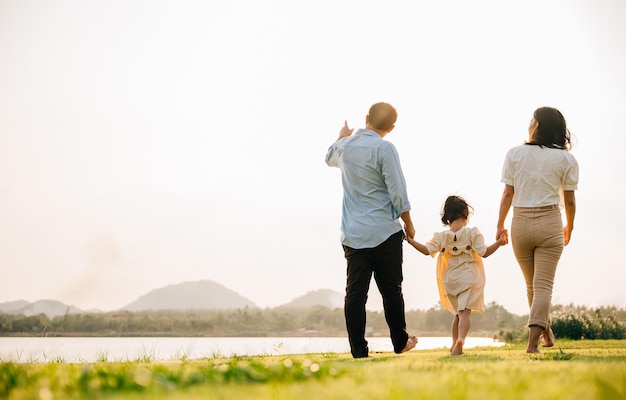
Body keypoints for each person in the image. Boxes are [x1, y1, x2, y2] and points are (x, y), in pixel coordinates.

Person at [325, 102, 417, 358]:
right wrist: (408, 223)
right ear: (391, 127)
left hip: (353, 235)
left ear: (366, 117)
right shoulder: (385, 148)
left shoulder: (344, 147)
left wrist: (341, 136)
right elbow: (397, 190)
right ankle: (400, 341)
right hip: (384, 231)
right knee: (392, 291)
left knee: (355, 294)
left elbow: (328, 157)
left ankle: (358, 351)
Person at [496, 106, 579, 354]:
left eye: (532, 119)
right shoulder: (566, 159)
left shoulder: (514, 153)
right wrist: (570, 226)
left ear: (540, 125)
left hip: (520, 221)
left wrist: (500, 225)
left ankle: (543, 336)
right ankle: (537, 340)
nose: (529, 123)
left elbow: (508, 194)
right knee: (542, 286)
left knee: (532, 286)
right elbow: (570, 201)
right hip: (550, 221)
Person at [407, 195, 507, 355]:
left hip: (450, 279)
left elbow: (427, 250)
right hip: (469, 277)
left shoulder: (441, 236)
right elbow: (484, 252)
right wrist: (500, 242)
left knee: (457, 314)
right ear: (466, 213)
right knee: (465, 312)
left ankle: (454, 344)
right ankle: (461, 340)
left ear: (447, 217)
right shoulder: (472, 233)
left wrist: (411, 241)